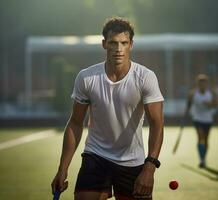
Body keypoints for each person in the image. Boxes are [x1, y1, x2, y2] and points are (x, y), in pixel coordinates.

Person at [51, 17, 164, 200]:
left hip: (132, 161)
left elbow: (157, 124)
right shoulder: (86, 78)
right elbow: (75, 123)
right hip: (96, 156)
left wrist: (149, 168)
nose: (119, 49)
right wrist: (62, 169)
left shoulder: (145, 77)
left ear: (131, 45)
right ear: (104, 44)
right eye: (113, 43)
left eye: (124, 43)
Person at [184, 74, 217, 168]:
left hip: (208, 119)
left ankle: (204, 158)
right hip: (197, 118)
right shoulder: (193, 93)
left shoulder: (211, 93)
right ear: (198, 84)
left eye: (204, 83)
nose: (202, 85)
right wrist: (186, 113)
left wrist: (210, 104)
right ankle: (201, 159)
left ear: (206, 84)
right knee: (200, 137)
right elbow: (189, 104)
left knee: (206, 140)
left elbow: (216, 104)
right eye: (200, 83)